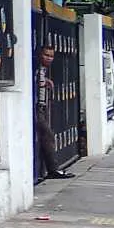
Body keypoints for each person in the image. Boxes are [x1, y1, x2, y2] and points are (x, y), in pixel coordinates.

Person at [36, 46, 75, 180]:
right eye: (46, 55)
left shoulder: (43, 70)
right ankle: (53, 169)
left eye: (51, 56)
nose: (49, 58)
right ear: (40, 55)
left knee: (47, 135)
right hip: (36, 108)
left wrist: (46, 81)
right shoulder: (35, 69)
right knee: (48, 135)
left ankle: (49, 169)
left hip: (42, 106)